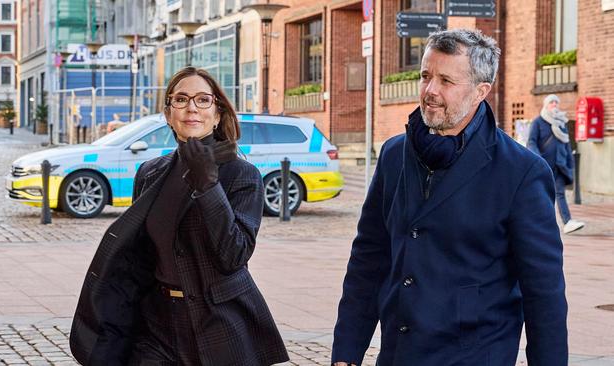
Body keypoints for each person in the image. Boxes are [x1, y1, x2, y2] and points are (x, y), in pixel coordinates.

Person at [332, 29, 568, 366]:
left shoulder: (522, 172)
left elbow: (543, 293)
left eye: (446, 80)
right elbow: (369, 258)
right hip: (399, 355)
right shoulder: (393, 153)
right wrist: (347, 351)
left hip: (474, 355)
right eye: (426, 76)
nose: (430, 91)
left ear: (479, 92)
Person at [69, 67, 289, 366]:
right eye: (181, 99)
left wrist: (207, 185)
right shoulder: (151, 172)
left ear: (218, 114)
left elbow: (233, 255)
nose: (191, 108)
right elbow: (141, 253)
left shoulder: (241, 174)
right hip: (157, 325)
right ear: (169, 114)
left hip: (217, 323)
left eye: (202, 100)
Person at [528, 94, 585, 234]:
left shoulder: (562, 123)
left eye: (556, 102)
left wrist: (569, 164)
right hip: (544, 166)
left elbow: (566, 144)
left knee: (559, 194)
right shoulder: (538, 122)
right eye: (551, 102)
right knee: (542, 194)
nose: (554, 104)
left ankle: (567, 222)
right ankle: (537, 223)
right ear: (546, 105)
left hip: (560, 165)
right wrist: (538, 159)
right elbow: (531, 142)